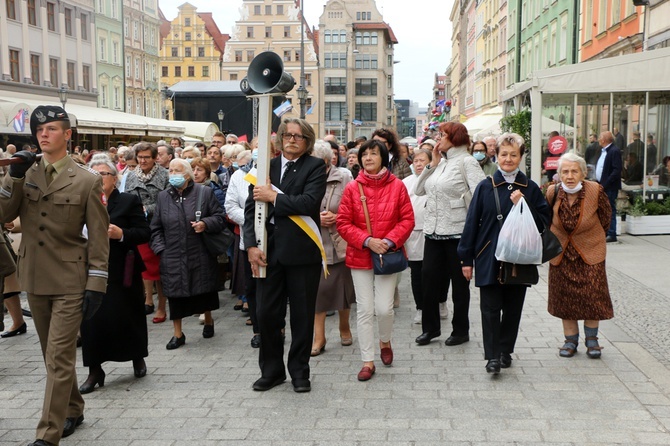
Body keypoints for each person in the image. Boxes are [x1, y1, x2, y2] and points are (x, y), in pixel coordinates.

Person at [0, 105, 109, 445]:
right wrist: (13, 177)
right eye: (39, 129)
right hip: (34, 276)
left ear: (67, 135)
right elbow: (3, 213)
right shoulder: (25, 174)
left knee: (60, 357)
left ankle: (47, 434)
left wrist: (97, 283)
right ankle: (74, 407)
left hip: (69, 279)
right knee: (52, 356)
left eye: (51, 128)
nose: (43, 134)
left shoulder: (88, 180)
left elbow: (99, 237)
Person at [243, 118, 327, 393]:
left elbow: (308, 202)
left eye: (298, 136)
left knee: (302, 318)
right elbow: (249, 210)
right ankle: (272, 371)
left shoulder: (314, 167)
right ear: (279, 138)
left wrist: (274, 197)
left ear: (307, 142)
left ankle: (300, 373)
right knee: (266, 315)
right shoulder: (265, 166)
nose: (291, 139)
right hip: (269, 253)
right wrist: (252, 246)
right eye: (287, 135)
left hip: (303, 256)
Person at [458, 132, 550, 375]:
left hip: (519, 258)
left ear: (521, 157)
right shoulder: (485, 186)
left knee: (512, 308)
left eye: (514, 154)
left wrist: (525, 203)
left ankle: (505, 350)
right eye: (504, 154)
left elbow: (544, 222)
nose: (508, 159)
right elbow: (471, 224)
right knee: (489, 308)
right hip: (489, 256)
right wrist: (466, 258)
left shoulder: (529, 188)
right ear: (495, 156)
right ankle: (492, 357)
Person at [336, 139, 414, 382]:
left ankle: (385, 340)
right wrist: (368, 240)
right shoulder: (352, 187)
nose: (368, 158)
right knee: (365, 309)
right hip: (360, 254)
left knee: (384, 308)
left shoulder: (397, 186)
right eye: (364, 154)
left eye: (373, 153)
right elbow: (343, 222)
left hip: (388, 255)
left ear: (383, 158)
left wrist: (389, 241)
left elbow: (407, 220)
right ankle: (367, 361)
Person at [79, 156, 150, 394]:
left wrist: (121, 233)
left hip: (123, 269)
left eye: (103, 174)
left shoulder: (128, 201)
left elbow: (143, 233)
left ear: (114, 178)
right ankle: (94, 370)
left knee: (128, 315)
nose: (99, 178)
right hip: (90, 269)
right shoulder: (83, 201)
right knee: (92, 320)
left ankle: (137, 357)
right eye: (94, 174)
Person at [414, 122, 485, 346]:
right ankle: (431, 328)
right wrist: (432, 164)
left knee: (459, 285)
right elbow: (418, 190)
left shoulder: (468, 162)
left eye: (442, 135)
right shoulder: (442, 162)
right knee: (429, 281)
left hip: (458, 233)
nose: (438, 139)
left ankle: (461, 330)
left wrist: (474, 231)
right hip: (433, 232)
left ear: (454, 138)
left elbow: (480, 197)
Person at [150, 159, 225, 349]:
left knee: (203, 290)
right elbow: (156, 227)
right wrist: (161, 249)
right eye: (171, 170)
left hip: (199, 251)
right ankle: (178, 334)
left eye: (178, 170)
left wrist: (205, 224)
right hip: (172, 254)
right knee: (175, 296)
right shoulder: (163, 197)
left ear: (188, 173)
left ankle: (208, 320)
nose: (174, 174)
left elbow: (220, 218)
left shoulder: (204, 193)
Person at [546, 153, 613, 359]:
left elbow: (606, 218)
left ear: (583, 173)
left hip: (590, 250)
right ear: (559, 174)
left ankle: (592, 341)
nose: (569, 175)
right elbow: (546, 217)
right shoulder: (552, 191)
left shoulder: (595, 190)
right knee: (565, 298)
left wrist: (592, 238)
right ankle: (570, 341)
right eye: (565, 171)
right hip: (562, 252)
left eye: (574, 171)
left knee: (592, 296)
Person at [310, 142, 355, 356]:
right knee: (317, 292)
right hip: (314, 243)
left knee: (342, 290)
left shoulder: (344, 177)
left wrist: (337, 217)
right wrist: (314, 218)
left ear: (328, 161)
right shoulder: (306, 178)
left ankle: (344, 327)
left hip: (339, 243)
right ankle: (319, 337)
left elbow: (355, 207)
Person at [124, 142, 170, 320]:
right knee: (145, 266)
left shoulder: (165, 175)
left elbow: (167, 201)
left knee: (160, 268)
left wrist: (147, 209)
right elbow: (128, 198)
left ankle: (162, 306)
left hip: (160, 226)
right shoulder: (130, 176)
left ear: (155, 158)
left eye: (146, 157)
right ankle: (148, 300)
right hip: (139, 227)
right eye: (140, 157)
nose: (142, 161)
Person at [225, 150, 259, 347]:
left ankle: (277, 328)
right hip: (248, 240)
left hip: (275, 239)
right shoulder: (239, 176)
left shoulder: (279, 174)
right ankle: (258, 329)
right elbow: (230, 206)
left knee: (274, 288)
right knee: (252, 287)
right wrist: (252, 218)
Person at [403, 148, 431, 324]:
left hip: (433, 232)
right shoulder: (406, 182)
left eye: (423, 160)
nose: (419, 164)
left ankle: (439, 301)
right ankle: (420, 307)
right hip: (413, 232)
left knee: (435, 271)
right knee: (416, 271)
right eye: (416, 161)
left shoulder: (436, 179)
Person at [595, 131, 622, 243]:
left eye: (600, 137)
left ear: (605, 140)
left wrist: (605, 184)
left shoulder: (614, 151)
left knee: (610, 209)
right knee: (604, 209)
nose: (598, 140)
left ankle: (612, 233)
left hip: (609, 187)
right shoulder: (605, 151)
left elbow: (616, 170)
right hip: (602, 185)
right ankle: (606, 231)